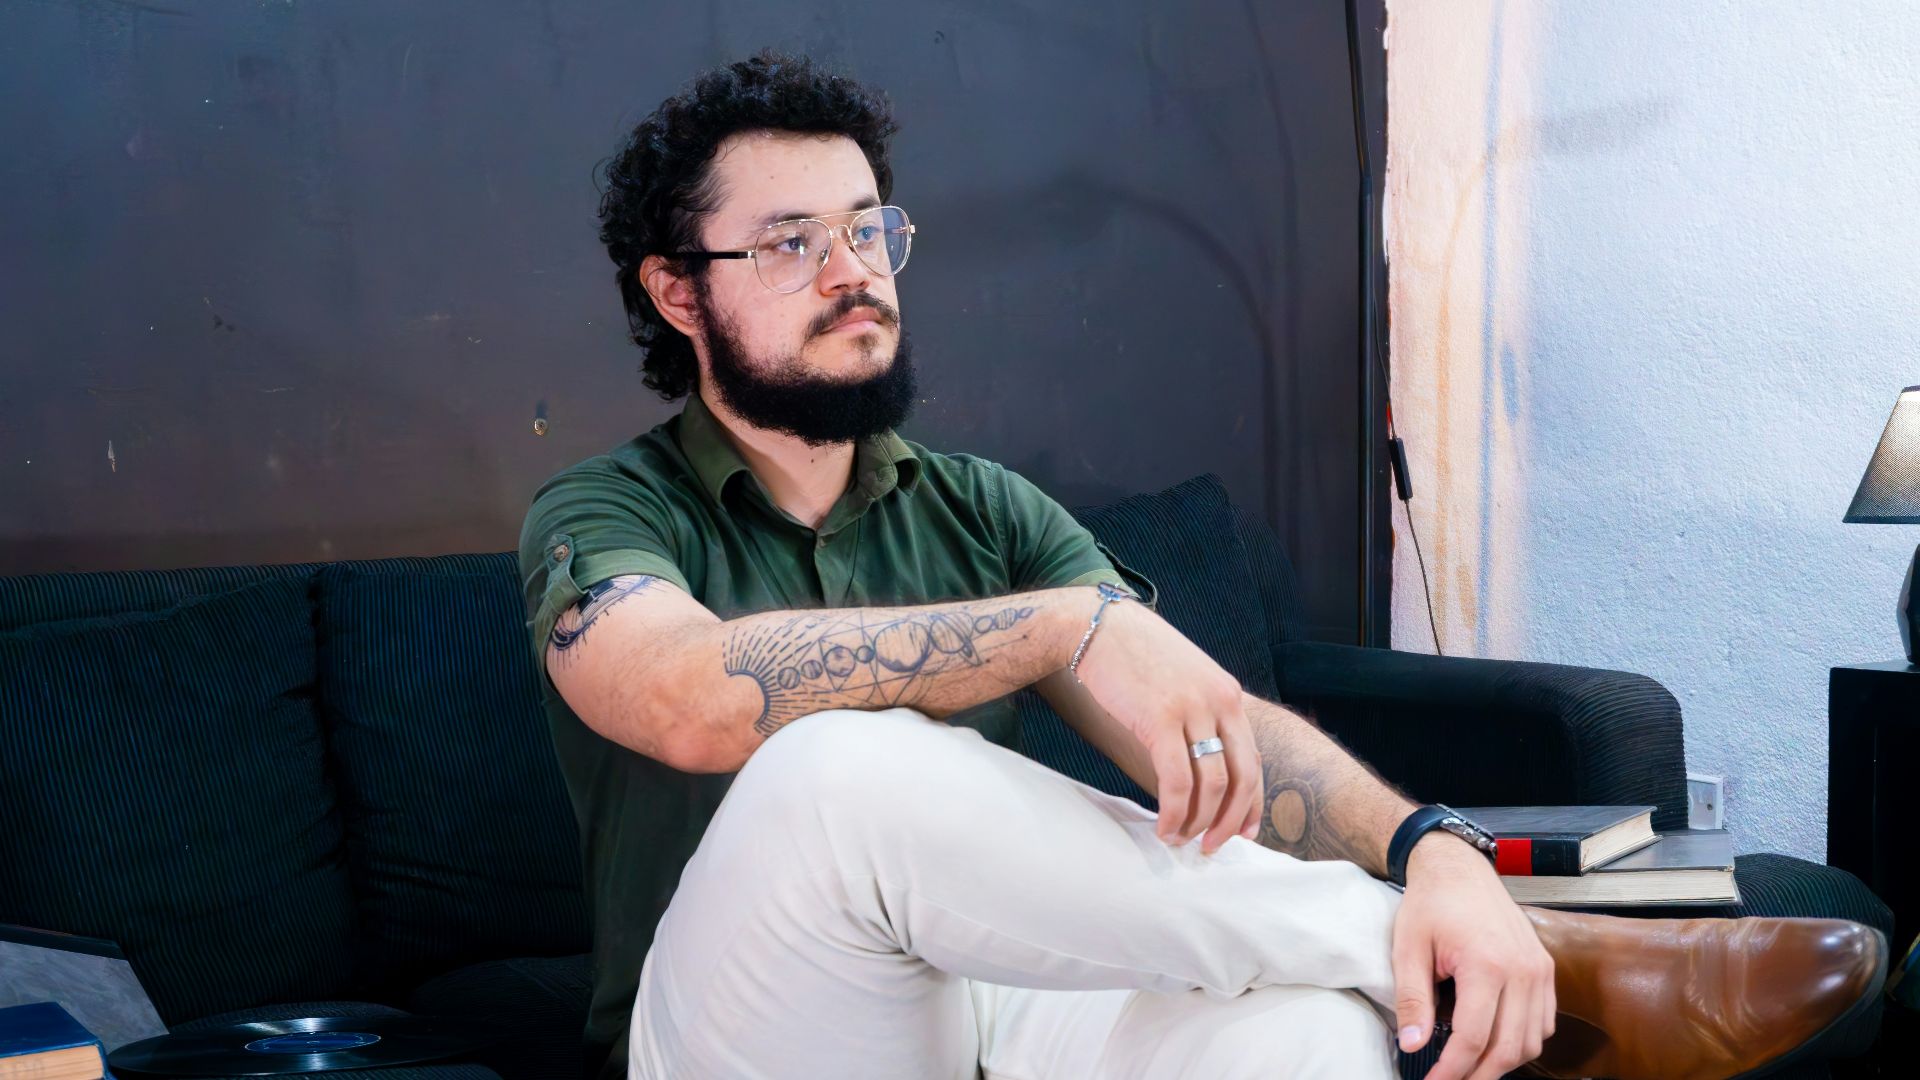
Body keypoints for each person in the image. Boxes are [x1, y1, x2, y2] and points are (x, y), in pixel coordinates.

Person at [520, 50, 1884, 1080]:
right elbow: (690, 698)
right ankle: (1539, 964)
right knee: (832, 768)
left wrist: (1437, 851)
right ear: (677, 289)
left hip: (983, 1003)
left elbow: (1219, 739)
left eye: (869, 228)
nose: (853, 270)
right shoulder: (606, 512)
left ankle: (1418, 942)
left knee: (1306, 1026)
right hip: (739, 1018)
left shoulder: (982, 509)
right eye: (791, 242)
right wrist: (1057, 628)